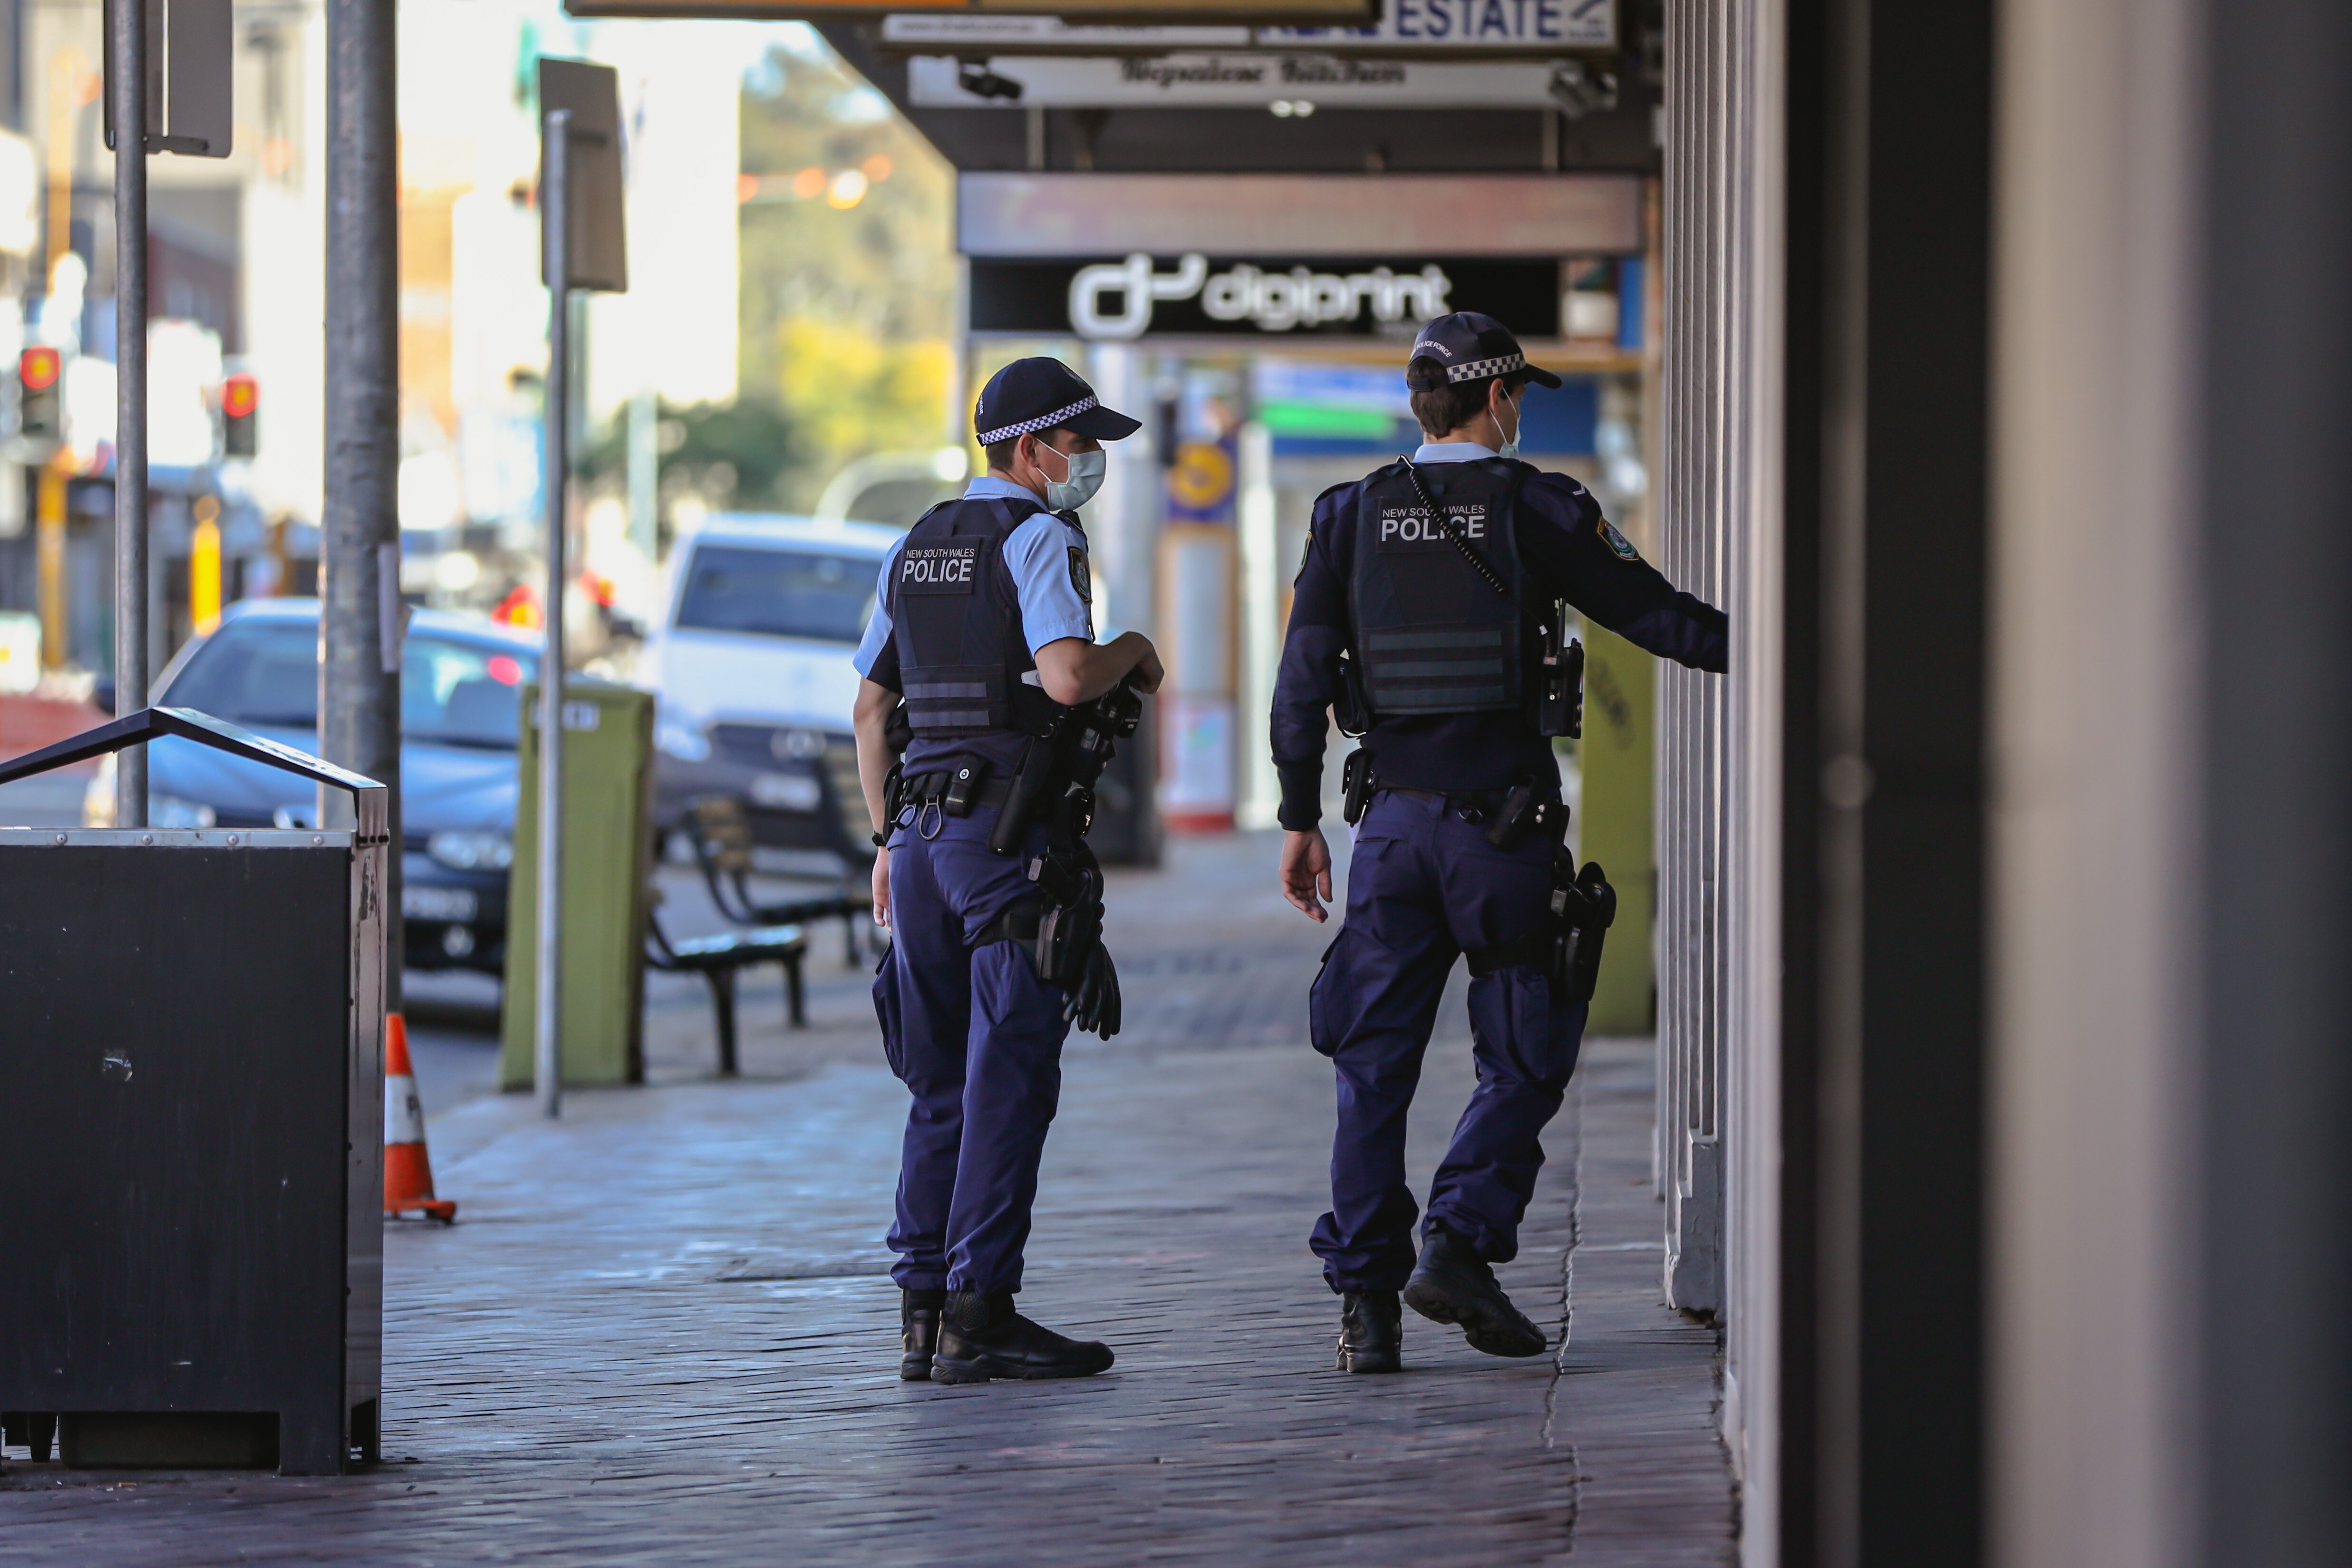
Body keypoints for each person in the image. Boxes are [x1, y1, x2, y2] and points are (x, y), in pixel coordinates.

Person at [1269, 312, 1728, 1374]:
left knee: (1370, 1068)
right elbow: (1657, 618)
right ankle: (1459, 1242)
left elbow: (1300, 685)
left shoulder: (1347, 514)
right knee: (1525, 1050)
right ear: (1498, 398)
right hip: (1501, 836)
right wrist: (1785, 645)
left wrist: (1298, 818)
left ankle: (1366, 1311)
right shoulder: (1538, 506)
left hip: (1388, 832)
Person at [852, 357, 1163, 1385]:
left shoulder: (914, 544)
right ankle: (980, 1311)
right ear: (1030, 450)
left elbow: (869, 710)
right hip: (1001, 843)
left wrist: (885, 842)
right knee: (1007, 1079)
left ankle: (921, 1313)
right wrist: (1133, 646)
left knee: (938, 1082)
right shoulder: (1038, 538)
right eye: (1080, 444)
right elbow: (1068, 676)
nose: (1091, 460)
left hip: (918, 844)